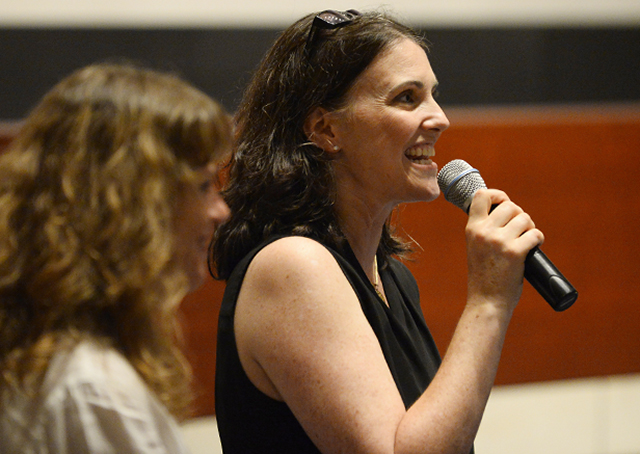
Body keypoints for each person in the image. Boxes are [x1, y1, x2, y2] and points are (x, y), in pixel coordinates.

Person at [210, 9, 544, 454]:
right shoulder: (293, 267)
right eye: (407, 98)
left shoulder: (391, 277)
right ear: (327, 129)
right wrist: (488, 302)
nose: (440, 118)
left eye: (433, 95)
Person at [0, 62, 232, 453]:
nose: (220, 211)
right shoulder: (93, 390)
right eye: (203, 185)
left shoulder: (53, 355)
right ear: (137, 203)